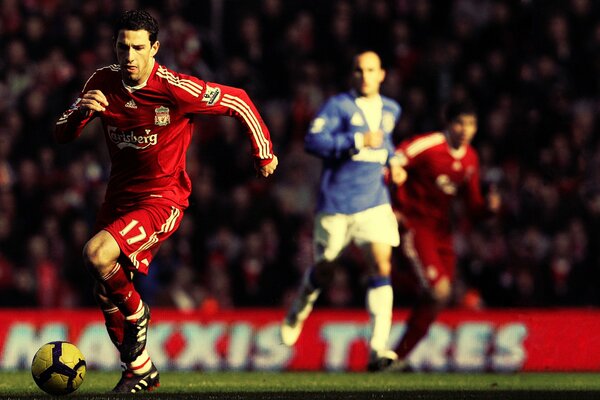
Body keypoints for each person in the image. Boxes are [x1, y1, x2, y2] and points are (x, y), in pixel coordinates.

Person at [54, 10, 277, 393]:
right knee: (103, 287)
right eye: (123, 46)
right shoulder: (102, 81)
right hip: (118, 198)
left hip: (163, 199)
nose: (130, 56)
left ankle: (138, 312)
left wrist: (263, 152)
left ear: (154, 48)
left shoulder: (174, 88)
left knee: (96, 255)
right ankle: (139, 368)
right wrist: (79, 116)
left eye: (138, 47)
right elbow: (61, 135)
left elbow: (238, 100)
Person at [280, 50, 401, 370]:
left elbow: (386, 145)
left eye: (371, 70)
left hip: (374, 201)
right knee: (325, 271)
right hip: (336, 204)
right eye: (359, 70)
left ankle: (378, 350)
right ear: (353, 74)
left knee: (381, 265)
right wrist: (357, 140)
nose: (364, 76)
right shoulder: (338, 106)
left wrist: (395, 162)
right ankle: (299, 309)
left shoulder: (391, 109)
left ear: (382, 74)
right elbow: (314, 141)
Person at [379, 100, 501, 371]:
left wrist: (488, 209)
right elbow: (391, 163)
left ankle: (396, 357)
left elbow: (473, 207)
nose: (465, 130)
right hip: (415, 225)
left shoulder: (470, 158)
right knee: (438, 290)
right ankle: (392, 347)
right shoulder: (428, 146)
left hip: (442, 232)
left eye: (470, 124)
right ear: (448, 124)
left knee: (439, 297)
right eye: (459, 123)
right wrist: (392, 204)